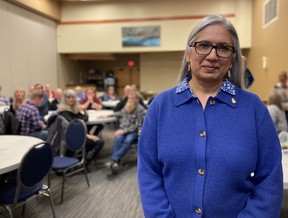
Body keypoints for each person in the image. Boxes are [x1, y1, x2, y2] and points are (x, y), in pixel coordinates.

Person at [137, 15, 283, 217]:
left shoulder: (253, 108)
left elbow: (269, 177)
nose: (212, 56)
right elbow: (149, 172)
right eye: (203, 45)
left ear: (232, 59)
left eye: (223, 48)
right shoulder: (161, 106)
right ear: (188, 54)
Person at [58, 89, 104, 167]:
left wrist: (82, 110)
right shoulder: (64, 112)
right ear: (65, 99)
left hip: (79, 135)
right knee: (99, 142)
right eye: (68, 97)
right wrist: (87, 135)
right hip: (73, 138)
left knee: (95, 138)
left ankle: (81, 158)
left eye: (73, 97)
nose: (71, 99)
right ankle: (85, 162)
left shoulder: (72, 109)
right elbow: (73, 129)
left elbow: (84, 118)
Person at [105, 91, 145, 174]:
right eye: (129, 98)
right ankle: (115, 163)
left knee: (128, 140)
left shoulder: (140, 109)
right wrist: (108, 115)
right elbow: (120, 113)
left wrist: (124, 131)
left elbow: (137, 125)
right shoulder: (127, 106)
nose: (130, 99)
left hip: (133, 131)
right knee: (118, 139)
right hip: (123, 129)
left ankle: (114, 160)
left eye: (132, 97)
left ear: (137, 99)